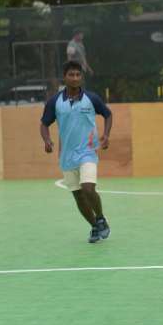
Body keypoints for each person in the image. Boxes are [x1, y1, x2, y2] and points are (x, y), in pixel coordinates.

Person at [40, 61, 112, 243]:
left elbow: (107, 114)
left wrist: (105, 135)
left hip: (88, 152)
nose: (75, 78)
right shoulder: (55, 101)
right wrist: (47, 140)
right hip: (66, 157)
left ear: (82, 77)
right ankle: (94, 226)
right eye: (71, 75)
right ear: (65, 77)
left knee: (88, 188)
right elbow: (44, 124)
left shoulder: (92, 98)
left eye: (78, 75)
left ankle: (101, 218)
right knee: (78, 196)